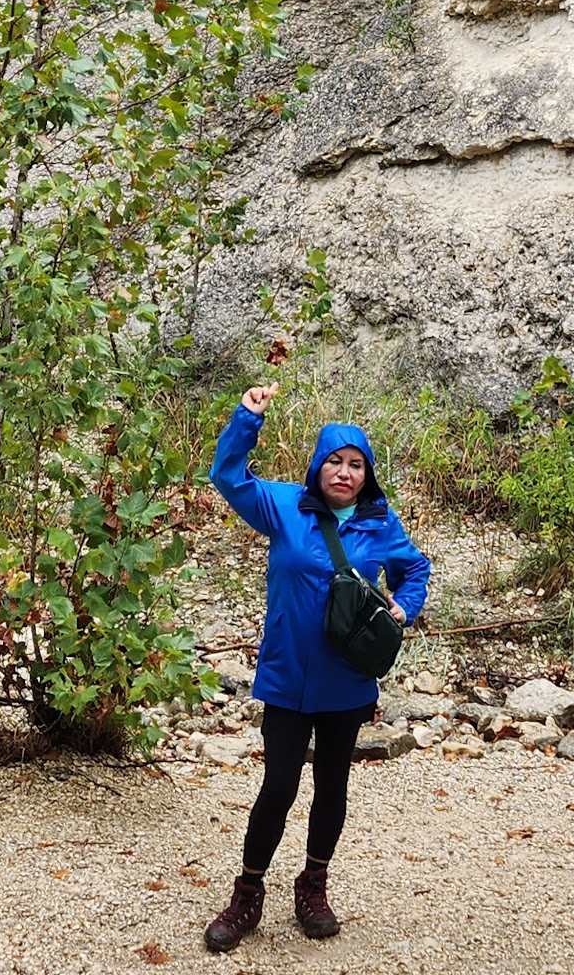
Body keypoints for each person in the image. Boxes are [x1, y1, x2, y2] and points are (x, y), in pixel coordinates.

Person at [202, 382, 432, 953]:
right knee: (278, 786)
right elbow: (227, 476)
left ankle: (313, 886)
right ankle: (247, 893)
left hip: (346, 682)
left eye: (356, 465)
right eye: (335, 461)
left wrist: (404, 607)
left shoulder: (380, 523)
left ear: (367, 474)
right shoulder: (283, 506)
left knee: (332, 786)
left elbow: (416, 569)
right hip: (286, 676)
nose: (344, 473)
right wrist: (247, 418)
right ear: (317, 466)